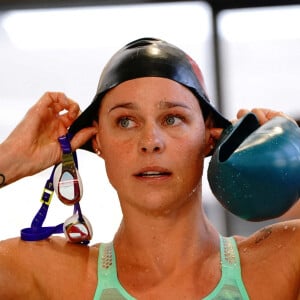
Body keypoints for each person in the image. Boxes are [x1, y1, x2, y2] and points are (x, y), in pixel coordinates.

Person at [0, 37, 299, 299]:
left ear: (210, 137)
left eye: (172, 118)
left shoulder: (279, 264)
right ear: (98, 140)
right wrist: (9, 160)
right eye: (125, 121)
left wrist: (294, 150)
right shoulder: (51, 276)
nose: (150, 142)